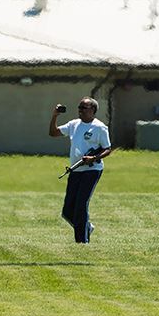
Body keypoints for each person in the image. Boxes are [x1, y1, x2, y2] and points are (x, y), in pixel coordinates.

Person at [48, 97, 112, 244]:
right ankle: (87, 227)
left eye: (84, 108)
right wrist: (55, 116)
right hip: (75, 170)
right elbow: (53, 133)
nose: (80, 110)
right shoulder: (74, 124)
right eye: (79, 107)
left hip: (92, 170)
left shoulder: (99, 127)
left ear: (93, 110)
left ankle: (82, 241)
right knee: (67, 211)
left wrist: (93, 158)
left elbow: (107, 148)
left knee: (81, 205)